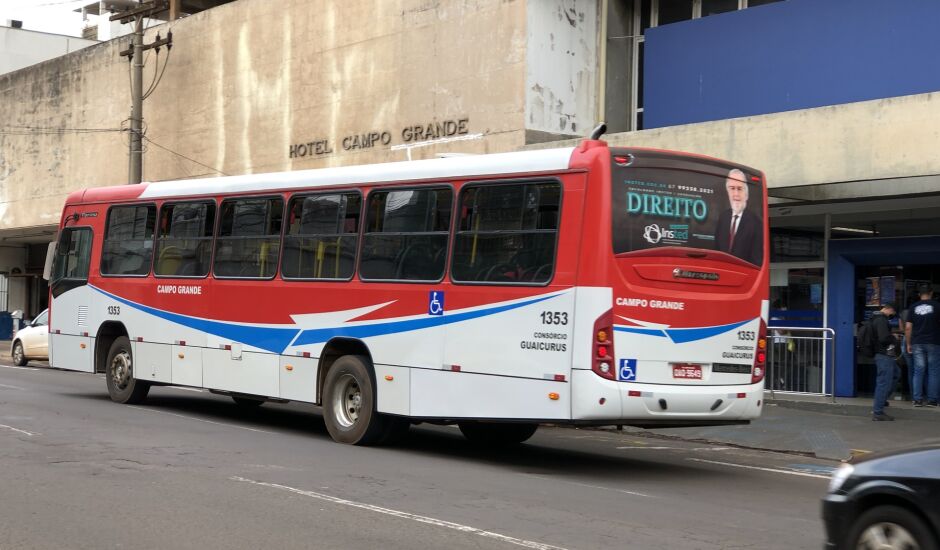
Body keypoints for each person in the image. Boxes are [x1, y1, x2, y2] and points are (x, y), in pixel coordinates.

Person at [714, 169, 763, 266]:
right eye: (732, 188)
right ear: (728, 192)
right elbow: (716, 251)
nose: (736, 194)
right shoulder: (723, 218)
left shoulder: (756, 224)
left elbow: (757, 261)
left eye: (739, 189)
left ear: (746, 194)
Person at [905, 283, 940, 407]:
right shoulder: (937, 306)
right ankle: (932, 400)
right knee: (934, 371)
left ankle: (917, 400)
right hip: (934, 342)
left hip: (917, 342)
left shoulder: (913, 307)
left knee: (918, 371)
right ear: (931, 293)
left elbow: (908, 328)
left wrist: (908, 343)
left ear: (920, 295)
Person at [870, 302, 900, 421]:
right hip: (884, 355)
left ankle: (882, 400)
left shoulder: (876, 318)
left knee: (896, 374)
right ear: (889, 309)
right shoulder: (881, 320)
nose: (893, 315)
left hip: (884, 355)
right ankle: (878, 412)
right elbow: (883, 338)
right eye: (893, 312)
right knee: (883, 382)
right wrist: (894, 337)